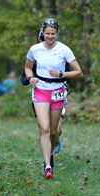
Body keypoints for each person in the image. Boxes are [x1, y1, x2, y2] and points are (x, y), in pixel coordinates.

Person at [24, 18, 83, 179]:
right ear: (42, 33)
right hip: (41, 90)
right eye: (47, 33)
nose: (50, 36)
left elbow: (78, 72)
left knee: (54, 130)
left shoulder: (64, 50)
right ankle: (47, 166)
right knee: (44, 128)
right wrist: (31, 79)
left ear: (57, 33)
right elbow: (28, 68)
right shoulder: (34, 49)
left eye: (53, 34)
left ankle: (51, 150)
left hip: (58, 90)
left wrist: (61, 74)